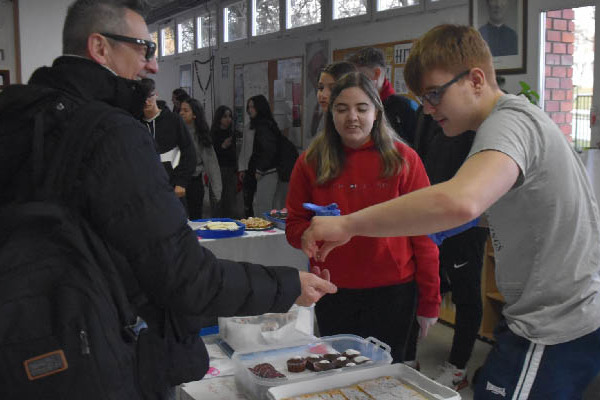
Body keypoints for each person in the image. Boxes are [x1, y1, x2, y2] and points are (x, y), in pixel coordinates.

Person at [0, 1, 337, 398]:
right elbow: (184, 275)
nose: (153, 65)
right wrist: (285, 284)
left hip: (23, 349)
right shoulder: (109, 134)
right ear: (100, 47)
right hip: (100, 357)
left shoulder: (18, 117)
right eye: (144, 49)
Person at [302, 24, 600, 399]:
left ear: (475, 80)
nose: (427, 108)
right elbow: (481, 212)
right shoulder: (509, 122)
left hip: (555, 323)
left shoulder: (510, 122)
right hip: (539, 315)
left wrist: (349, 223)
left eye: (434, 95)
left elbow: (460, 202)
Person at [285, 71, 440, 364]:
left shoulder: (404, 160)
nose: (351, 117)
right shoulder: (310, 162)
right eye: (341, 109)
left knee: (388, 379)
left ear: (377, 112)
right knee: (340, 375)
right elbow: (294, 225)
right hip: (334, 290)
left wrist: (430, 300)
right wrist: (304, 234)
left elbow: (425, 236)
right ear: (330, 114)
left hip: (394, 292)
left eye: (361, 108)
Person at [413, 106, 489, 390]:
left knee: (465, 294)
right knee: (425, 284)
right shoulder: (426, 113)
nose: (430, 100)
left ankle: (457, 368)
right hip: (431, 218)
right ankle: (409, 354)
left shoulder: (478, 119)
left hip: (465, 226)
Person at [140, 78, 196, 211]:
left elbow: (189, 153)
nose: (146, 101)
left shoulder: (174, 120)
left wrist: (181, 182)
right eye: (142, 98)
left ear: (156, 95)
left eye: (149, 96)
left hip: (172, 189)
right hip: (145, 193)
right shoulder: (135, 124)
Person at [348, 47, 418, 146]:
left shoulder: (405, 107)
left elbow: (419, 149)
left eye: (360, 76)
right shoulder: (356, 106)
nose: (355, 83)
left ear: (376, 73)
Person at [179, 98, 221, 219]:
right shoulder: (175, 131)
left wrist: (217, 191)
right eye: (180, 110)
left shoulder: (201, 136)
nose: (181, 113)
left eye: (185, 110)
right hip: (176, 181)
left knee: (195, 218)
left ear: (194, 115)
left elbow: (212, 164)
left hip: (194, 182)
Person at [247, 94, 283, 216]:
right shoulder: (264, 124)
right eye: (249, 107)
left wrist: (260, 169)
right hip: (269, 170)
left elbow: (269, 149)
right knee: (262, 204)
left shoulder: (264, 126)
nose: (249, 110)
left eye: (253, 107)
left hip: (268, 171)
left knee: (263, 207)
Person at [211, 105, 239, 217]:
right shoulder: (213, 134)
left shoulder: (232, 133)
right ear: (219, 118)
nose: (228, 119)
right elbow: (212, 155)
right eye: (225, 117)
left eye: (230, 117)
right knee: (218, 201)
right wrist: (222, 146)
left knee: (230, 202)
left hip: (231, 170)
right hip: (218, 170)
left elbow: (234, 154)